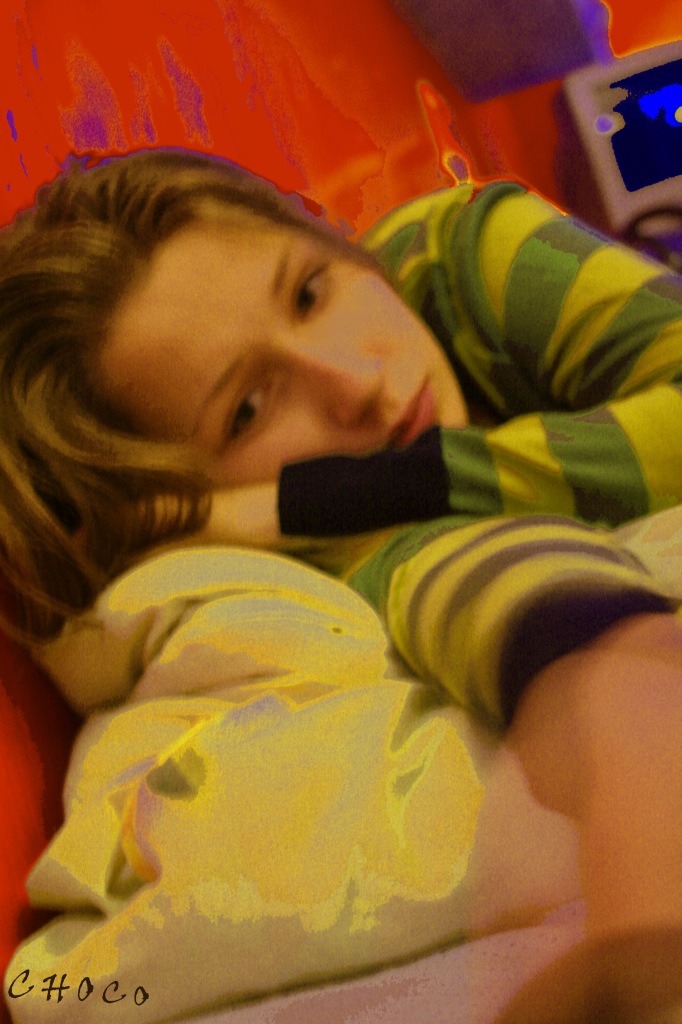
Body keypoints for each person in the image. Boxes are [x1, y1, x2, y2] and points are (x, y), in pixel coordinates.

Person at [1, 148, 682, 1021]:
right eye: (247, 410)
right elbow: (521, 592)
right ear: (171, 495)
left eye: (310, 293)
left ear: (325, 232)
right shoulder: (372, 557)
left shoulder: (468, 251)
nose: (356, 382)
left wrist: (312, 495)